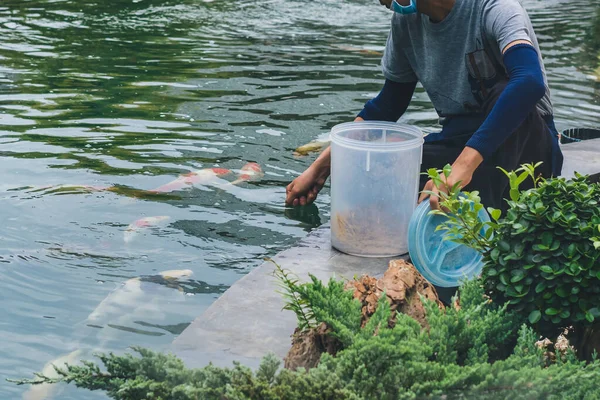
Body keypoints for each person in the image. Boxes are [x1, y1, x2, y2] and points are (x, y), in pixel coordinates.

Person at [285, 0, 563, 213]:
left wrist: (459, 171)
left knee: (506, 90)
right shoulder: (405, 24)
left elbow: (529, 81)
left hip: (528, 148)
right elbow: (387, 105)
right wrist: (322, 166)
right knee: (377, 169)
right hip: (460, 141)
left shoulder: (495, 7)